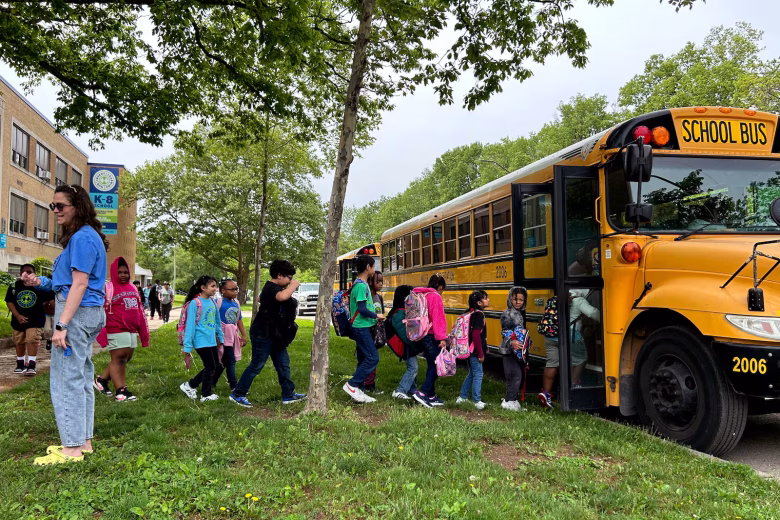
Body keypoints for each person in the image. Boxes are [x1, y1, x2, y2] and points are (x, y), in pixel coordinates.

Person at [23, 184, 107, 465]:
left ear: (78, 207)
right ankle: (83, 443)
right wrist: (40, 282)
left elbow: (81, 284)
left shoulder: (83, 238)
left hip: (77, 313)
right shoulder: (85, 237)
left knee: (66, 379)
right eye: (53, 206)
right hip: (85, 311)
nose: (55, 211)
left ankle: (71, 450)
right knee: (81, 376)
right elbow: (69, 283)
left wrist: (61, 325)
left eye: (61, 206)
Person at [229, 260, 307, 407]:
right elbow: (282, 297)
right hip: (263, 334)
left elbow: (260, 299)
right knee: (256, 365)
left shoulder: (271, 288)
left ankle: (288, 394)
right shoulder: (272, 288)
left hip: (275, 335)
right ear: (279, 275)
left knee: (283, 364)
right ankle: (238, 393)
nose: (290, 280)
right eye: (289, 277)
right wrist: (294, 285)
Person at [94, 257, 150, 401]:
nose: (123, 275)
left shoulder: (133, 287)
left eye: (126, 272)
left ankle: (102, 380)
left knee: (126, 358)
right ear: (114, 272)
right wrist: (102, 331)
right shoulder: (109, 287)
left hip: (131, 329)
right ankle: (121, 391)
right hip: (115, 327)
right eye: (120, 272)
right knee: (119, 359)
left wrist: (143, 331)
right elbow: (101, 309)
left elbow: (139, 309)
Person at [538, 290, 600, 408]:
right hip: (570, 336)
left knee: (552, 363)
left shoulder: (555, 298)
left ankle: (546, 393)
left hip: (550, 335)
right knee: (581, 358)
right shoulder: (579, 300)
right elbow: (593, 313)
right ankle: (573, 386)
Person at [342, 254, 385, 404]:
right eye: (373, 266)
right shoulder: (361, 285)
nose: (374, 269)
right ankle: (352, 384)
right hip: (361, 327)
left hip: (362, 327)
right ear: (368, 267)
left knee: (362, 359)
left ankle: (357, 391)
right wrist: (377, 315)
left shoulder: (361, 284)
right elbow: (361, 309)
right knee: (373, 358)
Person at [179, 276, 225, 402]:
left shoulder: (213, 302)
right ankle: (205, 395)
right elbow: (190, 326)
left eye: (216, 286)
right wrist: (187, 347)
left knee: (214, 365)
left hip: (211, 340)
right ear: (203, 288)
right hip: (200, 341)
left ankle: (190, 385)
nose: (215, 289)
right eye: (212, 286)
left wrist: (220, 337)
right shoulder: (195, 303)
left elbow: (217, 322)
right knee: (210, 366)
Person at [7, 263, 54, 376]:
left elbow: (51, 298)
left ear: (34, 274)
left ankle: (31, 364)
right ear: (20, 273)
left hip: (35, 319)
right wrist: (17, 315)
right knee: (19, 341)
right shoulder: (15, 286)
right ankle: (20, 364)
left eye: (30, 272)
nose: (27, 274)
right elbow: (9, 301)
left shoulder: (39, 286)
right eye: (25, 272)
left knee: (32, 339)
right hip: (18, 320)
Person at [412, 274, 448, 408]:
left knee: (431, 364)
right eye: (442, 289)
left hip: (421, 334)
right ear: (439, 287)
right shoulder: (435, 297)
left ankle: (431, 395)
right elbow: (438, 319)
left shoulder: (422, 295)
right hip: (432, 335)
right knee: (437, 366)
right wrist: (442, 338)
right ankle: (422, 392)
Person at [213, 278, 247, 394]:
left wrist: (243, 335)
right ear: (223, 290)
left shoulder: (236, 303)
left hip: (232, 336)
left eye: (236, 289)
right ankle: (234, 387)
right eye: (232, 289)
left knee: (223, 362)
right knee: (230, 360)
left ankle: (212, 382)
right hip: (222, 336)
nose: (235, 291)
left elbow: (239, 320)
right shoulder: (218, 302)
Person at [456, 290, 489, 410]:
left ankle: (462, 397)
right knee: (478, 374)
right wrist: (480, 353)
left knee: (472, 374)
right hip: (474, 351)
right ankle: (476, 400)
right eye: (486, 298)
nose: (488, 300)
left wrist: (486, 348)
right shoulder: (479, 315)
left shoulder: (470, 312)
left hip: (468, 349)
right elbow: (476, 335)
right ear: (479, 302)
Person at [499, 286, 528, 412]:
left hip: (517, 350)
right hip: (509, 350)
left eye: (521, 300)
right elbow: (505, 332)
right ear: (510, 299)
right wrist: (512, 342)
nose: (518, 302)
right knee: (515, 375)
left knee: (515, 374)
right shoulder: (508, 314)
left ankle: (512, 399)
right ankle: (508, 401)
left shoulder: (519, 314)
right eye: (515, 299)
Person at [388, 285, 419, 400]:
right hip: (407, 346)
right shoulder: (400, 313)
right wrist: (414, 343)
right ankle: (400, 390)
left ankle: (412, 390)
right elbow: (404, 334)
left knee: (413, 367)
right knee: (413, 368)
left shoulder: (398, 311)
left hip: (408, 346)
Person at [363, 270, 385, 394]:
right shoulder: (369, 296)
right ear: (370, 281)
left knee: (372, 358)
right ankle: (367, 385)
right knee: (370, 358)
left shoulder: (379, 297)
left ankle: (370, 384)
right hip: (369, 330)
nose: (381, 284)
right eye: (378, 281)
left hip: (376, 330)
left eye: (382, 281)